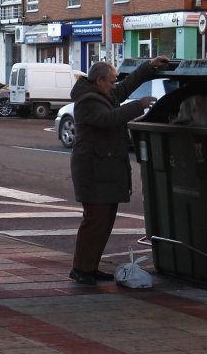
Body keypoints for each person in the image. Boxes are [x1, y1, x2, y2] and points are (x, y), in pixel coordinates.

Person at [68, 55, 169, 285]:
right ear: (100, 81)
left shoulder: (104, 93)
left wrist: (148, 66)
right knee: (95, 221)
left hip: (105, 169)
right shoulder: (87, 101)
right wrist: (138, 105)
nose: (115, 85)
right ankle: (81, 268)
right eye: (111, 81)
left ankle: (90, 267)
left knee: (105, 222)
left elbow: (126, 85)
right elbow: (109, 119)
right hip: (93, 171)